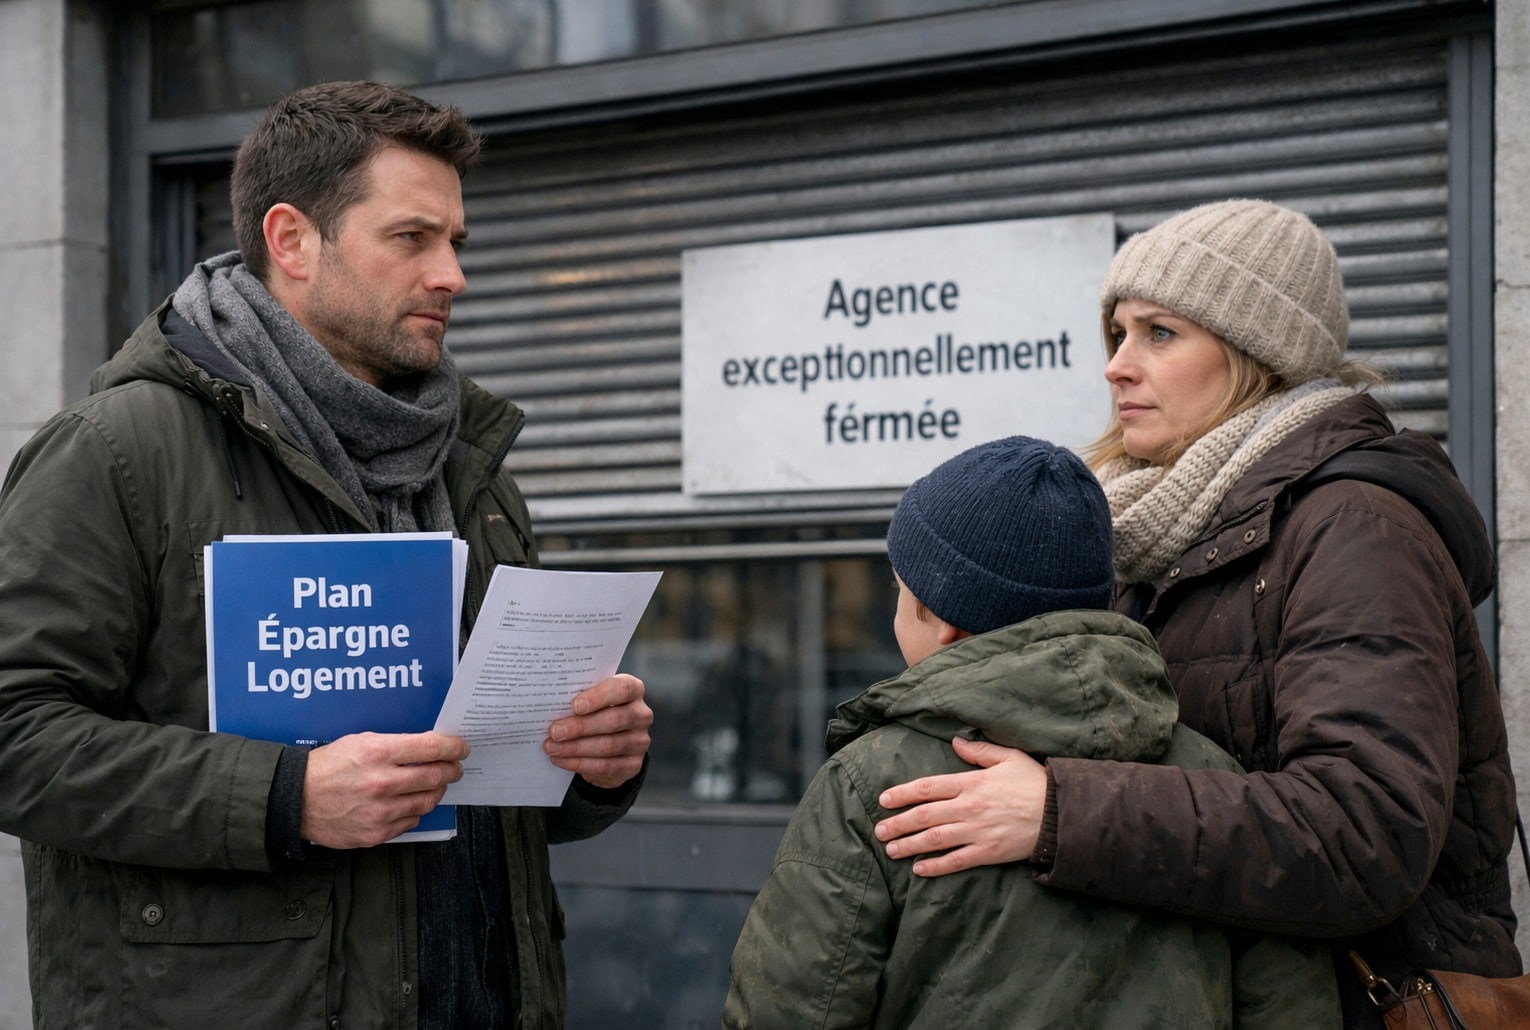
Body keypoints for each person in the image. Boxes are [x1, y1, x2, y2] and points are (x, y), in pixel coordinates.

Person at [0, 80, 652, 1029]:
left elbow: (496, 782)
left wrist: (592, 765)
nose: (452, 276)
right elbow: (15, 735)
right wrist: (285, 797)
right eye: (411, 238)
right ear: (292, 240)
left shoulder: (469, 467)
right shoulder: (117, 452)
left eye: (455, 243)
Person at [872, 199, 1521, 1027]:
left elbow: (1366, 832)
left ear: (1258, 352)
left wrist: (1059, 812)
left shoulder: (1356, 528)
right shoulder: (1157, 524)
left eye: (1160, 333)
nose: (1116, 366)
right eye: (1117, 334)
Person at [722, 435, 1340, 1028]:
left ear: (940, 618)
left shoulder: (872, 786)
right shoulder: (1213, 781)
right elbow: (1287, 1003)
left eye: (898, 588)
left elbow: (792, 1008)